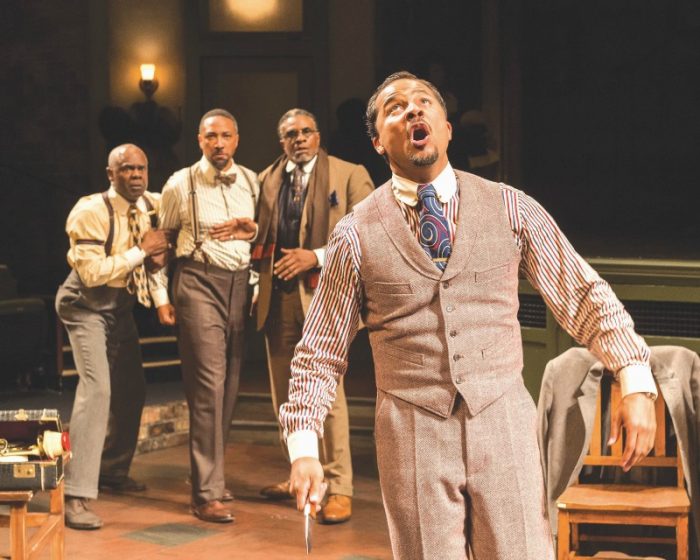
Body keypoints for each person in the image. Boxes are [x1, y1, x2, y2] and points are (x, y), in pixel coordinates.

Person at [278, 72, 659, 559]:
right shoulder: (355, 234)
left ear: (446, 127)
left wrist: (635, 378)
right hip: (411, 433)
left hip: (503, 423)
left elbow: (583, 295)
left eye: (424, 102)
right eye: (396, 107)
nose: (413, 110)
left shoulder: (511, 208)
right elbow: (319, 354)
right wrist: (305, 449)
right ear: (377, 141)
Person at [253, 108, 374, 524]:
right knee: (286, 392)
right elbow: (261, 232)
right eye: (290, 134)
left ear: (318, 136)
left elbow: (368, 233)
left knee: (328, 393)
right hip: (279, 294)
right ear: (281, 140)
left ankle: (339, 485)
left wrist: (314, 256)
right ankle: (301, 474)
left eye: (306, 131)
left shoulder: (349, 173)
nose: (299, 139)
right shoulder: (268, 178)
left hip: (326, 294)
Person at [152, 108, 260, 524]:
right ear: (199, 140)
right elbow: (161, 244)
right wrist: (162, 296)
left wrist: (252, 282)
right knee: (208, 384)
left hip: (238, 285)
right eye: (211, 136)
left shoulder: (251, 181)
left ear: (237, 139)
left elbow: (259, 239)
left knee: (230, 383)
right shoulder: (181, 184)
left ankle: (212, 474)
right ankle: (206, 492)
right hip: (197, 281)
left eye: (226, 136)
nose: (219, 144)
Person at [56, 143, 171, 530]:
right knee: (97, 389)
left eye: (141, 168)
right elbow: (91, 274)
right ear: (111, 174)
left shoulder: (150, 205)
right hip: (84, 303)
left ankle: (110, 470)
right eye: (126, 170)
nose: (136, 176)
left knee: (132, 389)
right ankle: (76, 494)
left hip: (118, 306)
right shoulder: (90, 211)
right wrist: (142, 252)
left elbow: (158, 253)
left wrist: (161, 298)